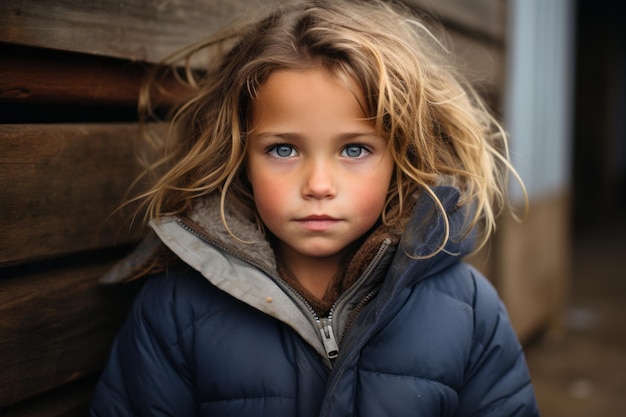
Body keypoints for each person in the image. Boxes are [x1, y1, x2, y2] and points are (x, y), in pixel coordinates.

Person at [90, 0, 540, 415]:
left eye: (355, 150)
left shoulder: (468, 308)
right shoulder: (175, 310)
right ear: (241, 157)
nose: (319, 186)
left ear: (400, 157)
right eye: (284, 150)